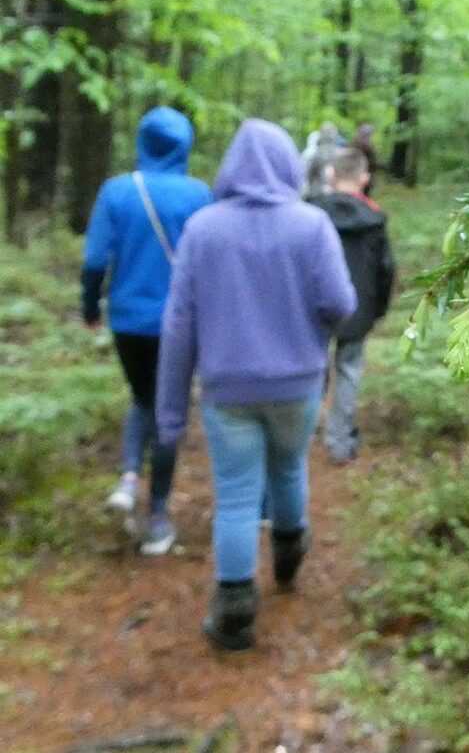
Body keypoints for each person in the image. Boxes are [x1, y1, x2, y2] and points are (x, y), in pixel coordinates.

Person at [156, 119, 356, 651]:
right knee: (289, 468)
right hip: (297, 384)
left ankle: (234, 609)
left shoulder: (203, 228)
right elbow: (341, 305)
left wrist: (170, 412)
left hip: (227, 389)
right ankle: (289, 557)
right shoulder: (312, 225)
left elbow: (177, 325)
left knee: (238, 495)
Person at [81, 106, 212, 555]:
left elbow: (95, 260)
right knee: (169, 411)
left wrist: (89, 307)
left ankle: (128, 478)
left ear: (141, 141)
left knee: (142, 398)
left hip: (127, 318)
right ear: (185, 145)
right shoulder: (199, 194)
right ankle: (157, 517)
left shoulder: (117, 191)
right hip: (180, 322)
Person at [310, 146, 395, 464]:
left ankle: (302, 434)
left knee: (314, 370)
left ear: (331, 175)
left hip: (314, 310)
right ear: (364, 178)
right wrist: (379, 309)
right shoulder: (374, 220)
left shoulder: (311, 213)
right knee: (348, 372)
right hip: (357, 311)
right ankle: (340, 442)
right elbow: (385, 270)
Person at [301, 121, 345, 198]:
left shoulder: (316, 153)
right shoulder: (340, 154)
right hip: (333, 195)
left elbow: (309, 175)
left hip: (317, 194)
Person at [351, 122, 379, 196]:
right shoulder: (369, 146)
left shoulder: (353, 143)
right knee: (364, 195)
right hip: (365, 174)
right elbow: (373, 162)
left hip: (353, 173)